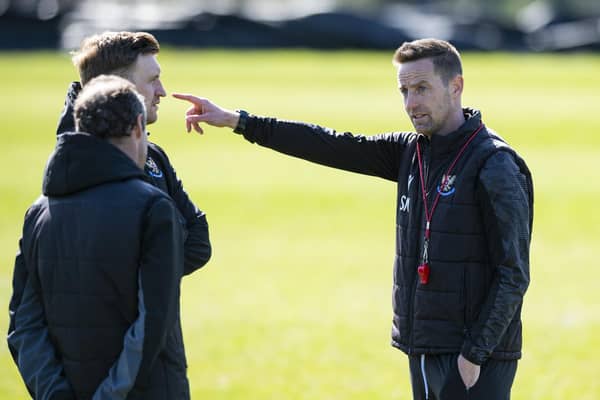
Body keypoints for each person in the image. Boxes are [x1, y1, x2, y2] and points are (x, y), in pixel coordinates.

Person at [172, 38, 534, 400]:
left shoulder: (495, 165)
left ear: (456, 86)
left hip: (473, 357)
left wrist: (474, 354)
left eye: (422, 88)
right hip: (425, 346)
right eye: (404, 90)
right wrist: (239, 122)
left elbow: (513, 273)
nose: (411, 103)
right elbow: (329, 144)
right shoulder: (411, 152)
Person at [8, 31, 209, 399]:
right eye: (152, 80)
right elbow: (151, 320)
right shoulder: (143, 203)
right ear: (118, 93)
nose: (162, 91)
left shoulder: (42, 207)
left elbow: (198, 243)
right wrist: (147, 268)